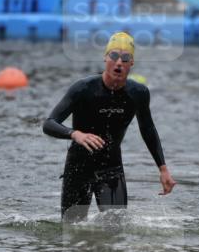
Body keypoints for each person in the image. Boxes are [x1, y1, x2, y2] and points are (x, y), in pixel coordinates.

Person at [43, 31, 176, 221]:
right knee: (72, 228)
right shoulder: (83, 88)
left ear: (131, 63)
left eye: (125, 58)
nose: (119, 62)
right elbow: (49, 123)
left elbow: (148, 130)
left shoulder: (138, 93)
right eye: (114, 56)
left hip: (111, 168)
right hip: (78, 167)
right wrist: (75, 134)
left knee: (115, 228)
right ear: (105, 58)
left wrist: (163, 169)